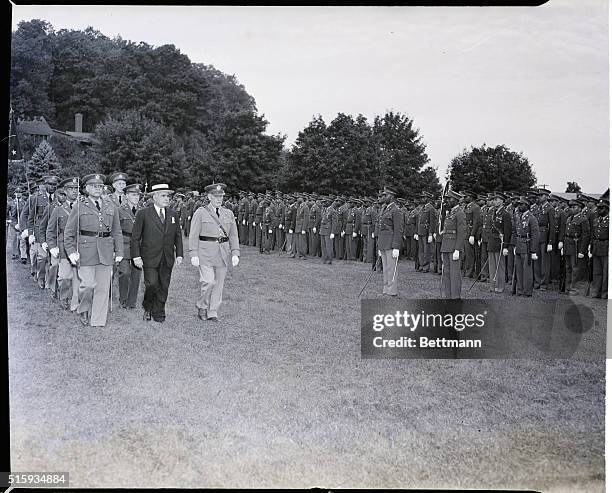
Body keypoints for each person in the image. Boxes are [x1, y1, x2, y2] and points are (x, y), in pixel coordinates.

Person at [63, 173, 124, 326]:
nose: (98, 189)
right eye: (94, 186)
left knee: (103, 288)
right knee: (88, 285)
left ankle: (97, 320)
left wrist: (120, 252)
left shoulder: (111, 206)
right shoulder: (79, 206)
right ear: (87, 188)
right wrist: (71, 252)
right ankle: (84, 309)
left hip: (106, 251)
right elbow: (69, 232)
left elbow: (117, 231)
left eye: (100, 186)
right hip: (86, 251)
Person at [131, 184, 184, 323]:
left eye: (168, 196)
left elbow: (178, 236)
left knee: (164, 285)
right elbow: (136, 237)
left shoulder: (173, 214)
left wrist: (179, 254)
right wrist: (136, 256)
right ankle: (148, 307)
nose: (167, 199)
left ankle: (159, 311)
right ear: (154, 197)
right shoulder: (143, 214)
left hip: (167, 257)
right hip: (149, 257)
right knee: (152, 284)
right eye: (163, 195)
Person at [188, 183, 240, 322]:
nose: (219, 199)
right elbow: (193, 235)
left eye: (221, 196)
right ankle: (202, 306)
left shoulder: (228, 213)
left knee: (219, 284)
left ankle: (212, 311)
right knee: (209, 281)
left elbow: (233, 235)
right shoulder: (201, 212)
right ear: (209, 197)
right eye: (216, 196)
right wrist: (193, 254)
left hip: (223, 252)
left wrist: (235, 252)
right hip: (205, 252)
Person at [46, 177, 81, 311]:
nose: (74, 191)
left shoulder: (82, 207)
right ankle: (64, 296)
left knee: (79, 276)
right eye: (71, 189)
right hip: (63, 247)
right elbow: (50, 231)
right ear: (65, 191)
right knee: (65, 276)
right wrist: (52, 246)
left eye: (76, 189)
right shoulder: (58, 210)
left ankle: (76, 300)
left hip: (79, 245)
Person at [117, 183, 143, 309]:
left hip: (138, 245)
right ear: (126, 196)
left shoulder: (142, 210)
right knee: (125, 272)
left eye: (137, 195)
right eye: (133, 194)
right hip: (124, 243)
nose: (136, 197)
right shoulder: (120, 210)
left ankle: (131, 301)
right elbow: (116, 230)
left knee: (136, 274)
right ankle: (123, 298)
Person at [376, 187, 403, 296]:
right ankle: (386, 289)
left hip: (391, 243)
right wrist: (379, 245)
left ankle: (392, 291)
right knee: (386, 267)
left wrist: (396, 246)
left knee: (392, 268)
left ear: (391, 196)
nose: (383, 197)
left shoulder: (396, 210)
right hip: (383, 243)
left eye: (385, 195)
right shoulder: (384, 209)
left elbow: (398, 229)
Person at [562, 199, 591, 296]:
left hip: (576, 246)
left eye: (574, 207)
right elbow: (565, 233)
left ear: (580, 208)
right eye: (571, 207)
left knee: (576, 269)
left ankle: (574, 290)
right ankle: (567, 288)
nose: (572, 209)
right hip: (568, 245)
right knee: (568, 268)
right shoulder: (569, 218)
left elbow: (586, 236)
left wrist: (582, 250)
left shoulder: (583, 219)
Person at [440, 190, 466, 298]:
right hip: (446, 245)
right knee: (446, 273)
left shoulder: (460, 213)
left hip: (453, 247)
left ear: (455, 200)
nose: (447, 201)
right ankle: (448, 295)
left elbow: (461, 232)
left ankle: (455, 297)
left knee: (454, 274)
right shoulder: (450, 212)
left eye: (449, 198)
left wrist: (457, 249)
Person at [512, 198, 539, 297]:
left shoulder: (532, 218)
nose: (519, 206)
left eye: (521, 204)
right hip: (519, 244)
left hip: (527, 245)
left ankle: (527, 291)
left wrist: (533, 250)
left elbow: (535, 235)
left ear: (527, 205)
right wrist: (514, 244)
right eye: (518, 204)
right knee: (519, 269)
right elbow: (515, 232)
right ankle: (520, 289)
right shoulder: (518, 216)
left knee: (527, 270)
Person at [487, 193, 512, 293]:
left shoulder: (505, 214)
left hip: (500, 242)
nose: (494, 201)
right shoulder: (493, 212)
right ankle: (492, 286)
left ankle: (499, 286)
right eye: (494, 199)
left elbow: (507, 231)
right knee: (492, 265)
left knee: (499, 266)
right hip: (492, 241)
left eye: (497, 199)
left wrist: (505, 245)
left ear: (502, 201)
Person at [589, 199, 609, 299]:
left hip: (606, 248)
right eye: (598, 208)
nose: (599, 210)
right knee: (596, 272)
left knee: (606, 272)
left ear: (607, 209)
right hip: (596, 247)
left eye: (601, 208)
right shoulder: (596, 220)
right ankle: (596, 292)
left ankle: (604, 293)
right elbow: (593, 235)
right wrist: (591, 248)